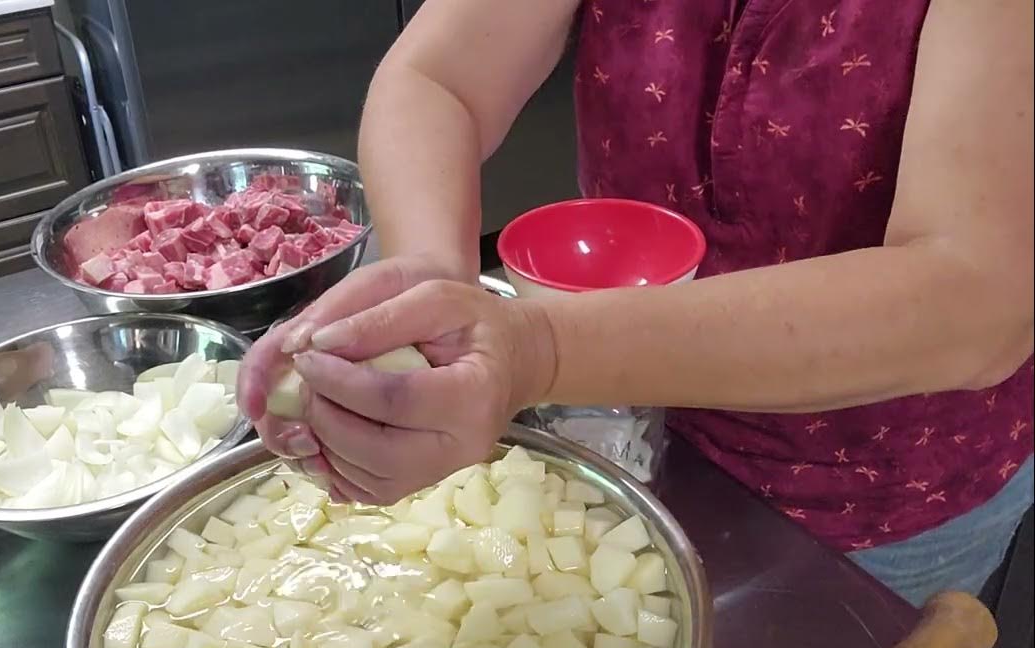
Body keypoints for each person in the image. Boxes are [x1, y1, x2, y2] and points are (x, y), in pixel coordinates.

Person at [237, 0, 1034, 606]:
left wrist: (538, 349)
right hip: (623, 433)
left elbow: (974, 298)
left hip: (879, 495)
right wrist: (429, 293)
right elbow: (437, 77)